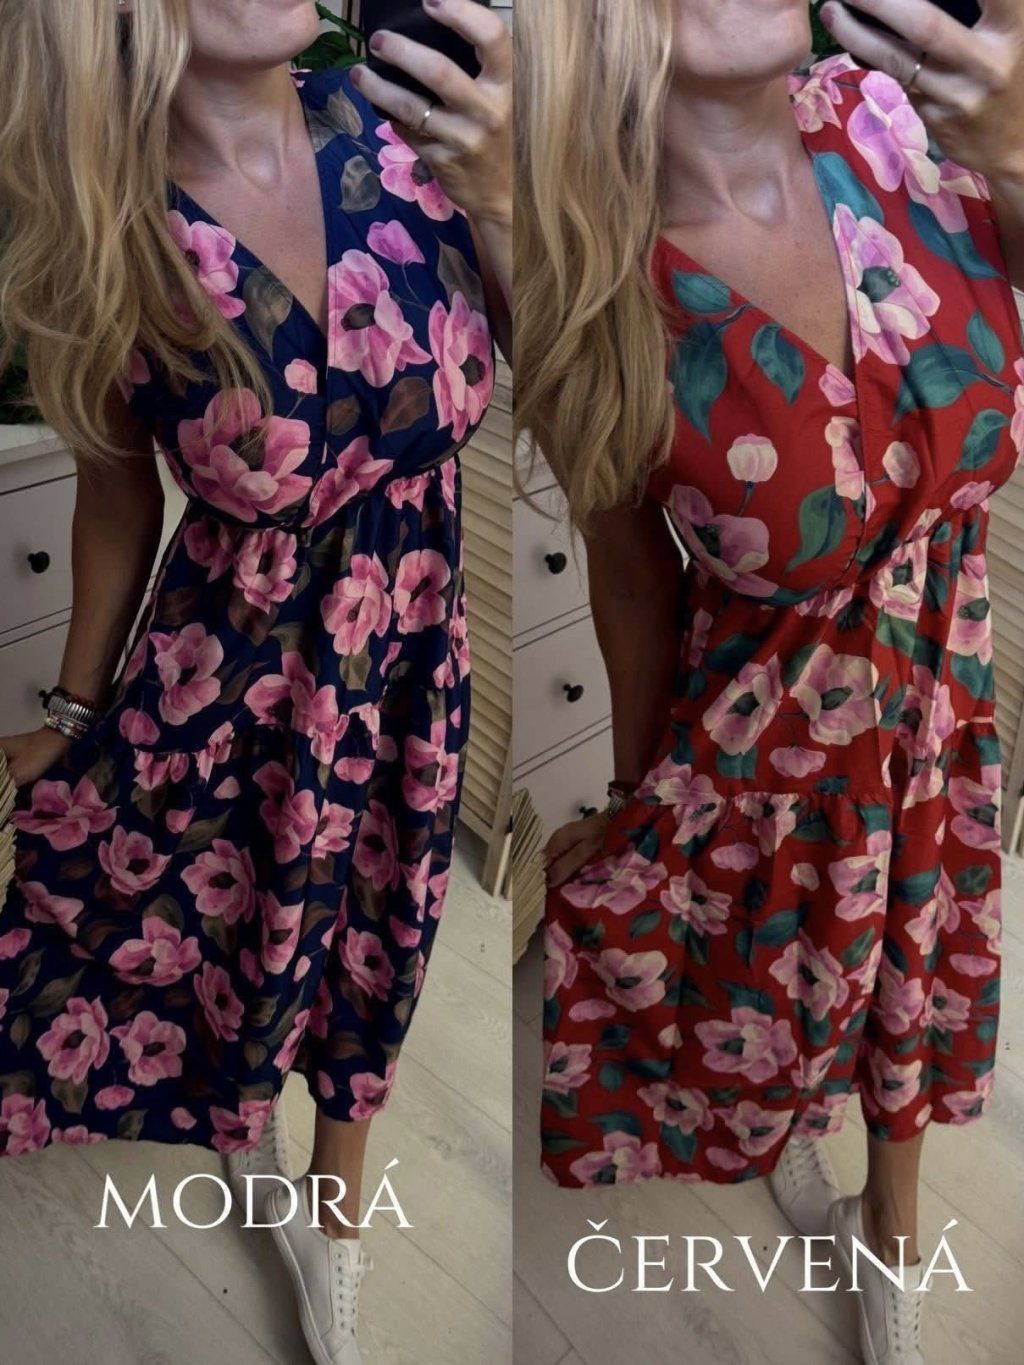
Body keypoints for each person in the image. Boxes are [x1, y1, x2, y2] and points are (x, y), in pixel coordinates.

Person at [0, 1, 511, 1362]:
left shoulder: (415, 140)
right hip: (223, 692)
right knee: (212, 934)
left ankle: (337, 1215)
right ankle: (238, 1116)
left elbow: (589, 398)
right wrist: (71, 714)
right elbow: (117, 500)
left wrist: (515, 196)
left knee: (383, 927)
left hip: (409, 665)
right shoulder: (108, 235)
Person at [515, 2, 1022, 1362]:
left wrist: (1018, 146)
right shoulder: (592, 278)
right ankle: (799, 1126)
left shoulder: (899, 123)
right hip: (766, 748)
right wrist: (636, 800)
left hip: (943, 698)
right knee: (777, 1005)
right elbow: (633, 578)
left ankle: (892, 1223)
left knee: (917, 972)